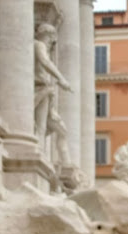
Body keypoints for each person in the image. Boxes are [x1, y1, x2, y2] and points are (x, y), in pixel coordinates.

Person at [34, 22, 72, 165]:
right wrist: (61, 78)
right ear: (47, 35)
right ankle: (39, 155)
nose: (52, 42)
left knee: (44, 126)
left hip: (43, 89)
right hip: (40, 88)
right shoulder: (39, 44)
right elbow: (45, 61)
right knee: (41, 126)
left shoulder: (37, 45)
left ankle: (42, 154)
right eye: (51, 38)